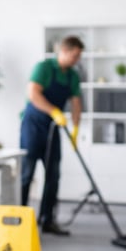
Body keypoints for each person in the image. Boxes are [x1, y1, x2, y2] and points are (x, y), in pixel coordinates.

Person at [20, 35, 83, 235]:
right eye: (74, 55)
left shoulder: (72, 76)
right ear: (63, 51)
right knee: (26, 175)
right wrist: (54, 111)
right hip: (32, 126)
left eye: (78, 56)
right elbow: (33, 94)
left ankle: (47, 220)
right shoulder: (44, 68)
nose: (76, 60)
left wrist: (75, 128)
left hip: (53, 128)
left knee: (53, 175)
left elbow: (76, 103)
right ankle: (20, 220)